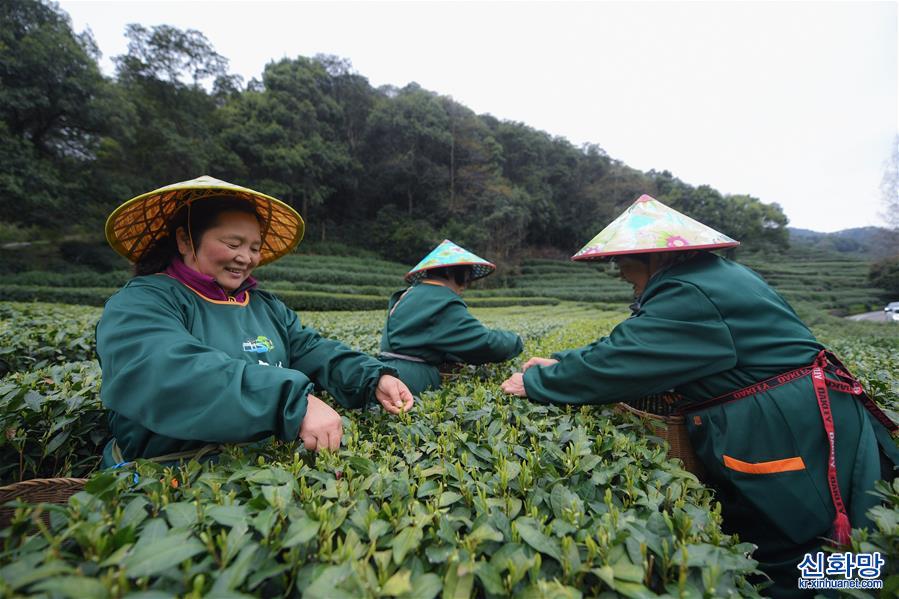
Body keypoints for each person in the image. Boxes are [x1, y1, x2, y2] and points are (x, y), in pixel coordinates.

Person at [500, 194, 898, 598]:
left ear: (655, 258)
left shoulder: (691, 294)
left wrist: (535, 384)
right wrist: (560, 361)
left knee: (803, 536)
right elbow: (632, 342)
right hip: (792, 411)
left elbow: (622, 363)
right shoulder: (705, 280)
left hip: (785, 425)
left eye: (624, 262)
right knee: (804, 532)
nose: (619, 272)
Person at [97, 175, 414, 467]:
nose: (245, 257)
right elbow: (166, 369)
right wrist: (291, 402)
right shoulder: (143, 301)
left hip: (259, 473)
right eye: (232, 244)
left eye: (254, 248)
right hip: (168, 475)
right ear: (184, 240)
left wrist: (373, 377)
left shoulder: (264, 305)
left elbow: (311, 349)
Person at [379, 239, 523, 395]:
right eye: (466, 276)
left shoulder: (409, 293)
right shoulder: (441, 300)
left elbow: (424, 339)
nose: (465, 285)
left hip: (385, 373)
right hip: (410, 381)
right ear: (449, 272)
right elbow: (483, 344)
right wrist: (515, 341)